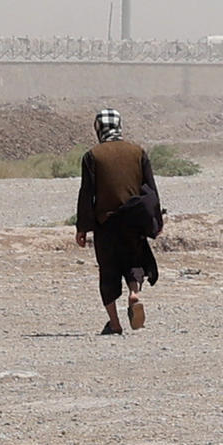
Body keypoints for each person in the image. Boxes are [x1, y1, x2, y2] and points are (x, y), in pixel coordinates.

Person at [73, 107, 164, 334]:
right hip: (134, 219)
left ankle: (114, 323)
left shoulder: (93, 155)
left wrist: (82, 227)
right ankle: (134, 294)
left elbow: (87, 194)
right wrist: (156, 220)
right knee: (134, 261)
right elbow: (150, 188)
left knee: (108, 269)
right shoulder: (137, 152)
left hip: (106, 223)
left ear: (98, 129)